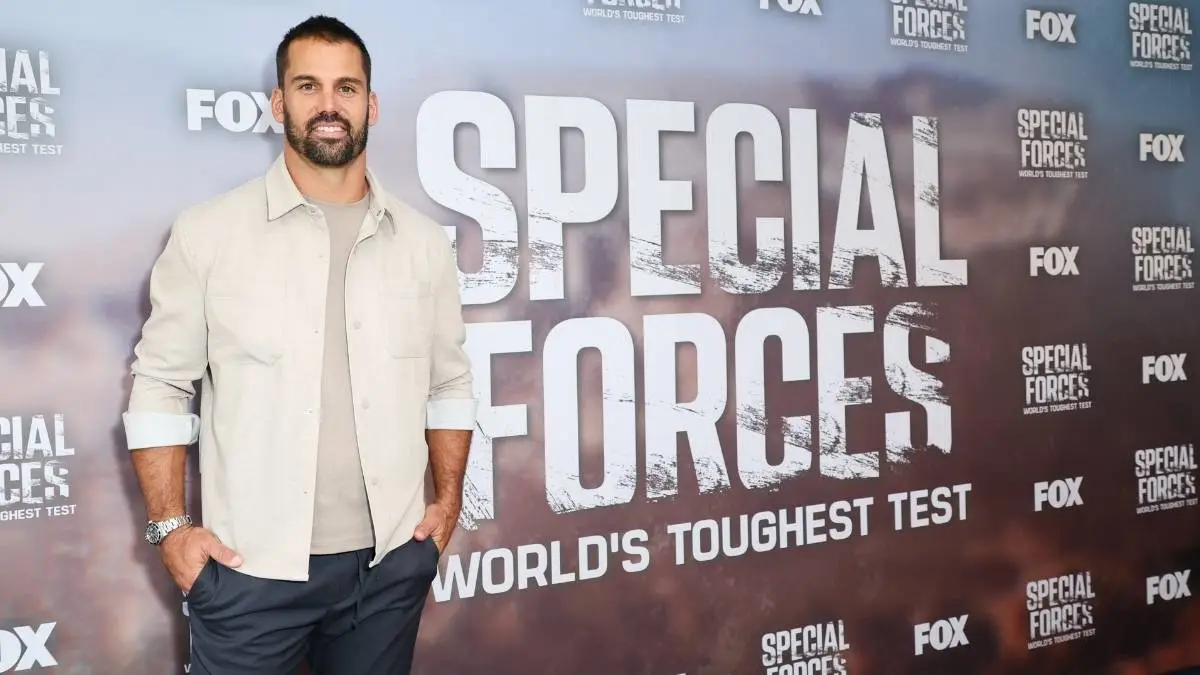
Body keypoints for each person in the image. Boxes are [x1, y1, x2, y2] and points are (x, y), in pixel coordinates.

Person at [122, 15, 475, 675]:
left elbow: (449, 382)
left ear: (371, 105)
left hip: (388, 570)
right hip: (249, 572)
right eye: (308, 86)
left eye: (347, 88)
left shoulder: (424, 243)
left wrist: (448, 501)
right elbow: (161, 386)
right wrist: (171, 530)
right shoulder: (207, 234)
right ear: (279, 103)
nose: (329, 105)